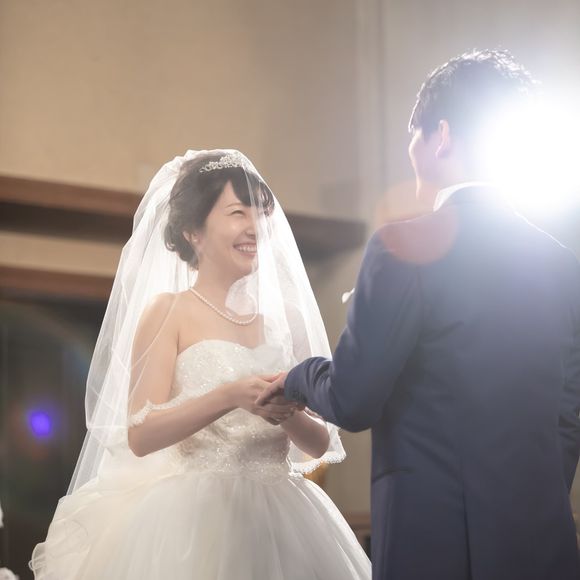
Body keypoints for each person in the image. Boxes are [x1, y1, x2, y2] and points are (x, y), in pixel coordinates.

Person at [259, 50, 580, 580]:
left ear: (443, 136)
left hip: (434, 541)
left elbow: (352, 399)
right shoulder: (563, 262)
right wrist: (531, 490)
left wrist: (298, 376)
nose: (410, 149)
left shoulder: (404, 248)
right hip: (540, 539)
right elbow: (569, 412)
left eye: (414, 134)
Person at [30, 149, 371, 579]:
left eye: (261, 214)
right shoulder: (168, 311)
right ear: (193, 232)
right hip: (194, 517)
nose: (254, 227)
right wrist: (229, 395)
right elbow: (141, 433)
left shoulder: (287, 320)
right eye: (238, 213)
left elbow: (318, 444)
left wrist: (283, 411)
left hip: (283, 516)